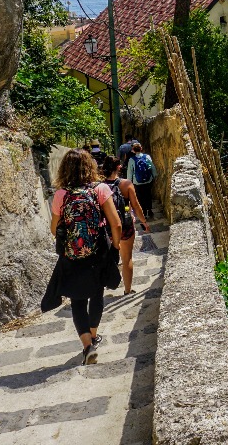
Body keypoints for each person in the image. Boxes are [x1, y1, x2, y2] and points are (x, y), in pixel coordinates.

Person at [48, 149, 122, 365]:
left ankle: (87, 346)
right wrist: (115, 247)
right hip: (98, 251)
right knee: (97, 294)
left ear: (64, 169)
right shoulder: (100, 189)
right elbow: (116, 224)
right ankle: (94, 335)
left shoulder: (61, 195)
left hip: (72, 255)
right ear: (90, 166)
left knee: (77, 301)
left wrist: (74, 239)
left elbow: (54, 229)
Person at [101, 155, 149, 295]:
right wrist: (144, 222)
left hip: (107, 228)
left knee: (107, 258)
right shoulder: (126, 184)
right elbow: (136, 206)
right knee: (126, 258)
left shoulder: (99, 186)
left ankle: (105, 287)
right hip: (125, 226)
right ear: (119, 167)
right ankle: (127, 290)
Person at [127, 142, 158, 219]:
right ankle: (149, 210)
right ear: (141, 149)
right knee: (148, 195)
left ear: (133, 150)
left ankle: (143, 212)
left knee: (140, 197)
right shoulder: (147, 156)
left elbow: (130, 172)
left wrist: (129, 182)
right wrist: (154, 175)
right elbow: (152, 166)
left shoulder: (131, 160)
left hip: (137, 182)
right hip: (148, 180)